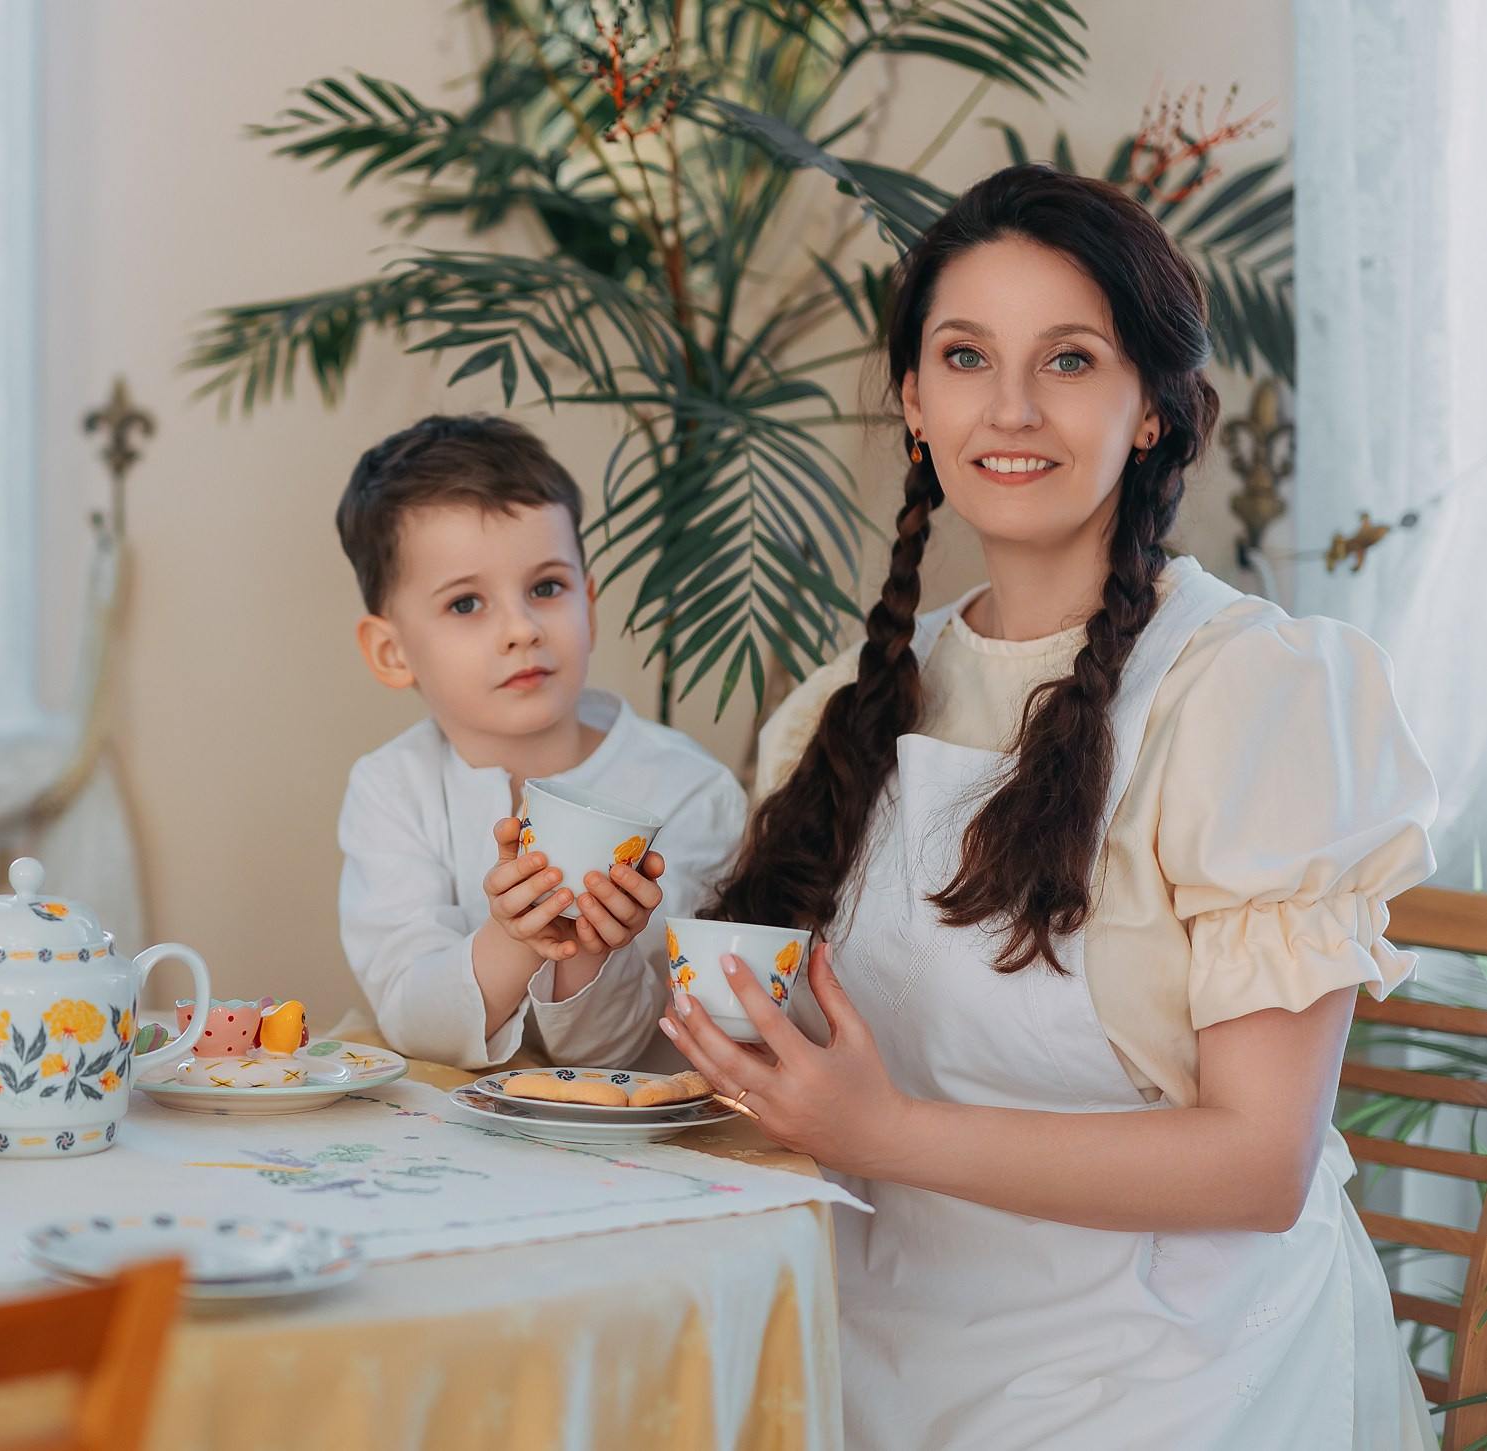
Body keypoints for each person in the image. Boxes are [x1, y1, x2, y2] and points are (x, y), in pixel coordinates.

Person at [661, 166, 1438, 1449]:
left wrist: (887, 1132)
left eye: (1068, 360)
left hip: (1174, 1374)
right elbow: (796, 1064)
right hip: (866, 1346)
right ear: (913, 401)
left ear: (1150, 409)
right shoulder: (837, 712)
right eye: (965, 356)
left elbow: (1257, 1164)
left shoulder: (1249, 693)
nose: (1009, 407)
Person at [334, 414, 747, 1070]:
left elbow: (624, 1053)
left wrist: (588, 947)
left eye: (545, 588)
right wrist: (513, 937)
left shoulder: (689, 790)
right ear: (391, 651)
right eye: (466, 603)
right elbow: (412, 1016)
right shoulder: (390, 790)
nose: (521, 629)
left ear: (588, 601)